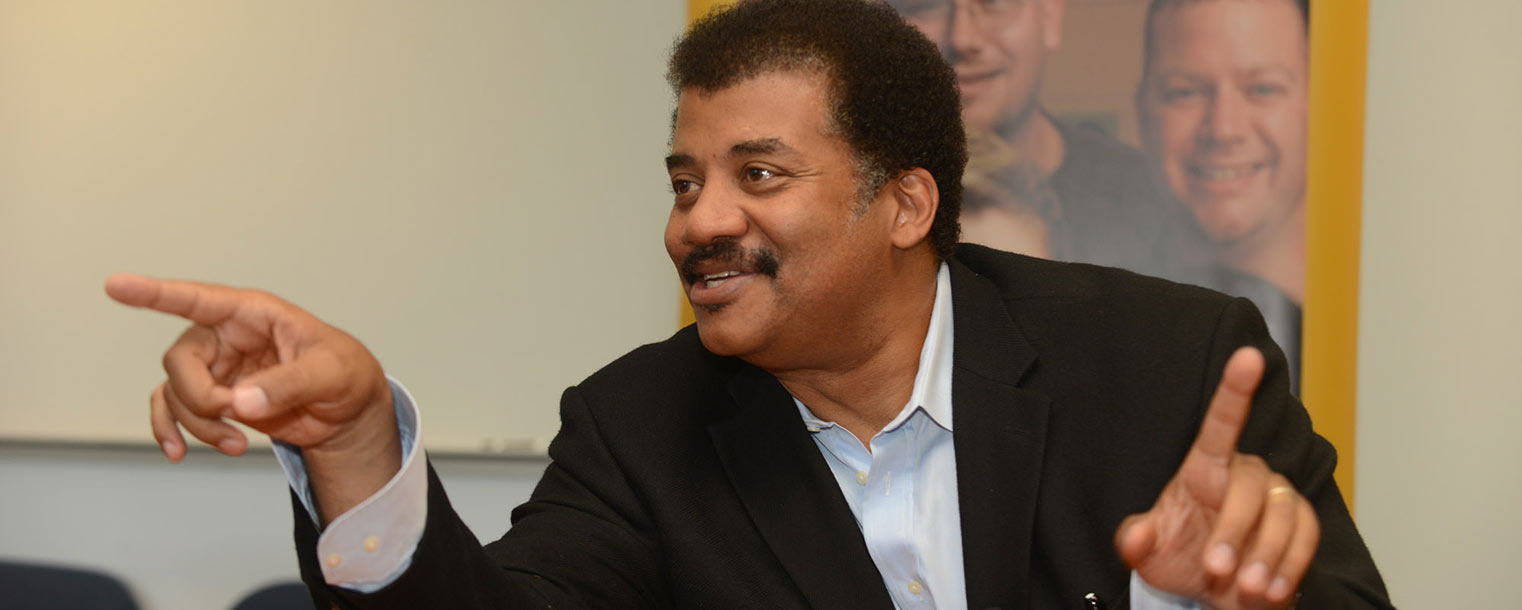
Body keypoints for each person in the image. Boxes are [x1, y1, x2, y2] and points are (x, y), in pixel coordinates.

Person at [105, 1, 1390, 608]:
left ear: (904, 204)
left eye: (756, 174)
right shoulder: (639, 427)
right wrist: (353, 444)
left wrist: (1191, 604)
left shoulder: (1169, 369)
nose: (698, 220)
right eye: (684, 178)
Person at [887, 0, 1176, 275]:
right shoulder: (856, 196)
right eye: (925, 5)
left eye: (995, 3)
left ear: (1050, 15)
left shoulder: (1157, 201)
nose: (963, 38)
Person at [1136, 0, 1311, 384]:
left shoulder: (1386, 323)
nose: (1223, 129)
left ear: (1315, 105)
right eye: (1185, 92)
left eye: (1263, 88)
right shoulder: (1103, 332)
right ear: (1143, 111)